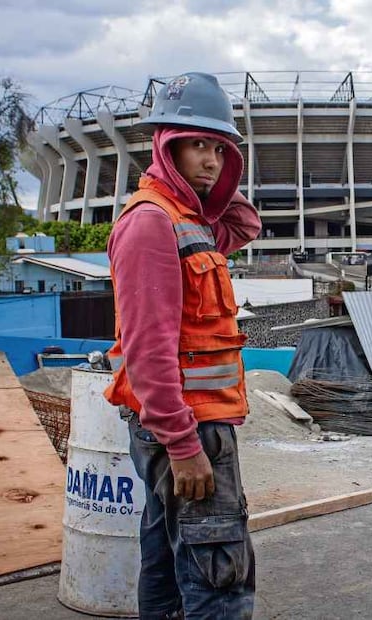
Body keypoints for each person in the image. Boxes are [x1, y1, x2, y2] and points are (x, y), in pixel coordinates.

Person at [103, 72, 261, 619]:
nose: (211, 160)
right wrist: (183, 444)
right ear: (165, 145)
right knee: (219, 577)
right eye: (196, 145)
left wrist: (212, 185)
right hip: (186, 426)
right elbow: (148, 350)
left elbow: (243, 223)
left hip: (189, 422)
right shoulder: (151, 224)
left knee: (168, 565)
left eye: (219, 147)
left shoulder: (188, 220)